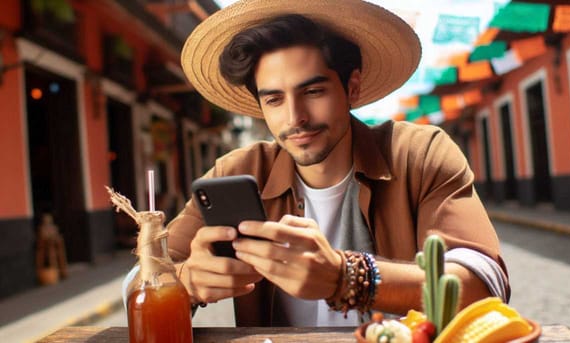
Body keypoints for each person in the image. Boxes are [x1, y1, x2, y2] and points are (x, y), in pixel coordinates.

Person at [162, 0, 509, 327]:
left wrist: (345, 277)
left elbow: (484, 283)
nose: (295, 117)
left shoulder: (420, 154)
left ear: (352, 87)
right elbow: (145, 277)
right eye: (274, 99)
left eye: (313, 92)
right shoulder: (238, 170)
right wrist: (187, 282)